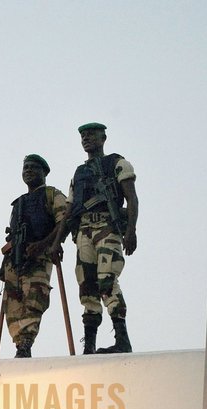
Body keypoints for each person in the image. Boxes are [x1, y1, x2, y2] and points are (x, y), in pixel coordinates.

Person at [53, 123, 138, 354]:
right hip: (84, 231)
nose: (86, 138)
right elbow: (70, 209)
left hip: (107, 227)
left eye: (91, 134)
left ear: (103, 137)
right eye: (82, 136)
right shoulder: (79, 173)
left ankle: (122, 340)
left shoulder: (117, 163)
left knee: (107, 279)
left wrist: (131, 230)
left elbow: (131, 198)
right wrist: (56, 242)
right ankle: (88, 345)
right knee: (86, 286)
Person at [1, 154, 67, 358]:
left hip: (39, 256)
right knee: (12, 304)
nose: (28, 170)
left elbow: (64, 221)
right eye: (25, 167)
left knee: (34, 299)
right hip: (16, 258)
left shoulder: (51, 194)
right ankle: (18, 343)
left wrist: (45, 244)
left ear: (44, 172)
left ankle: (26, 344)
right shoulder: (18, 203)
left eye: (33, 167)